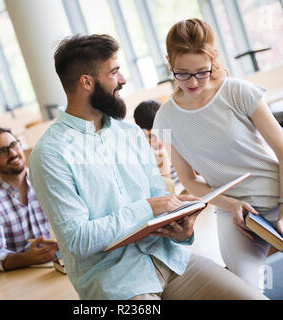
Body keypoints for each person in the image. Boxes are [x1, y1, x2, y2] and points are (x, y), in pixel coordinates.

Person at [28, 33, 267, 300]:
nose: (123, 80)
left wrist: (182, 228)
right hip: (116, 281)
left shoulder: (129, 133)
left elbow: (160, 200)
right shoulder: (49, 154)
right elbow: (77, 241)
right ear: (87, 82)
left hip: (170, 259)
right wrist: (149, 208)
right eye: (114, 72)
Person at [153, 18, 283, 299]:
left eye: (202, 71)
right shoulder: (165, 118)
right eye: (183, 73)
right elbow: (188, 180)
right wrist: (230, 204)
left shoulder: (238, 92)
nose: (194, 82)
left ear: (213, 58)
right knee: (245, 296)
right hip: (235, 214)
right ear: (169, 63)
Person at [0, 127, 58, 272]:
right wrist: (28, 258)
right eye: (2, 151)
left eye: (14, 145)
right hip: (23, 275)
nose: (13, 153)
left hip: (63, 262)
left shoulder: (47, 176)